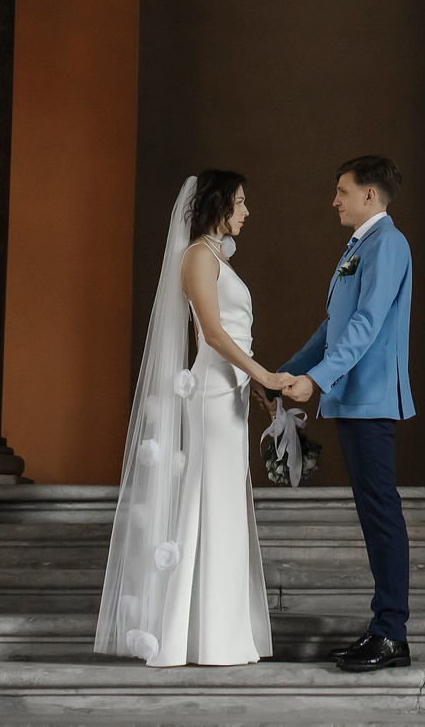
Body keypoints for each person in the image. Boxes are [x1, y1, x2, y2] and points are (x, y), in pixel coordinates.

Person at [95, 171, 295, 667]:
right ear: (219, 205)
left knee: (224, 503)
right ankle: (199, 635)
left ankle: (218, 632)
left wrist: (259, 393)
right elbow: (214, 334)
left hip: (230, 391)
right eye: (241, 202)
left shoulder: (214, 257)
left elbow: (234, 338)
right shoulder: (198, 257)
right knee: (209, 502)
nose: (247, 212)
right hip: (211, 391)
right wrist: (265, 376)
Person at [280, 155, 415, 673]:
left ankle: (391, 633)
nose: (334, 200)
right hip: (353, 395)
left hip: (371, 395)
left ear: (369, 195)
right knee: (372, 510)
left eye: (342, 191)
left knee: (381, 512)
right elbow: (331, 326)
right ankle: (383, 628)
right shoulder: (360, 245)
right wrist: (281, 374)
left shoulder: (389, 243)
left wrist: (315, 380)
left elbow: (365, 323)